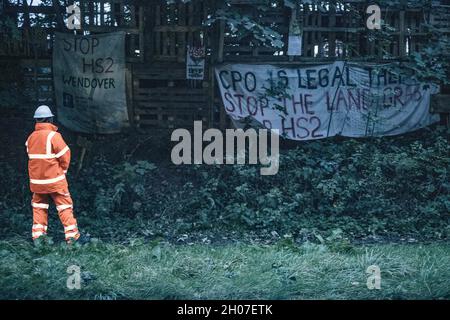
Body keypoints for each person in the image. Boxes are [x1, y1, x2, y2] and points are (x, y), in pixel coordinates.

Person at [25, 105, 81, 244]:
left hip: (37, 183)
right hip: (55, 180)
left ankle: (38, 240)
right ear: (50, 119)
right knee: (64, 207)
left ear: (36, 121)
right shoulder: (53, 136)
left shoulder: (30, 138)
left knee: (39, 208)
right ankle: (72, 238)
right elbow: (65, 155)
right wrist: (62, 172)